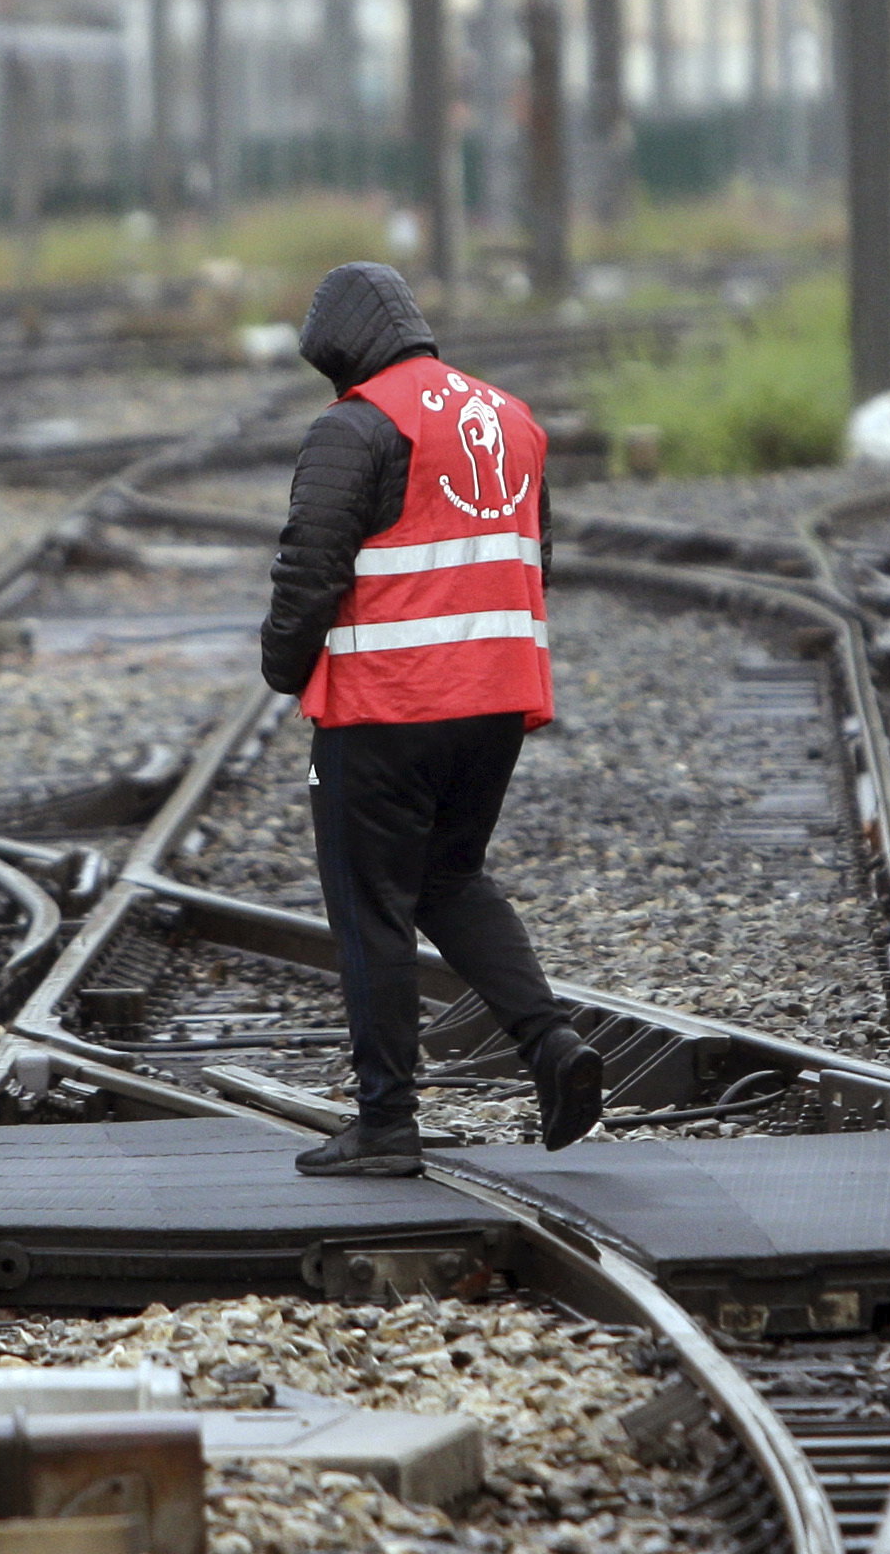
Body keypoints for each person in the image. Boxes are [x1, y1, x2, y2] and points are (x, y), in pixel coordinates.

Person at [259, 262, 604, 1178]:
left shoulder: (357, 426)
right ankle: (551, 1044)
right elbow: (538, 555)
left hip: (386, 707)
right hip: (494, 701)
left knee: (370, 906)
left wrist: (282, 667)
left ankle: (385, 1123)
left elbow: (311, 567)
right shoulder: (514, 417)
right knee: (451, 878)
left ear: (344, 351)